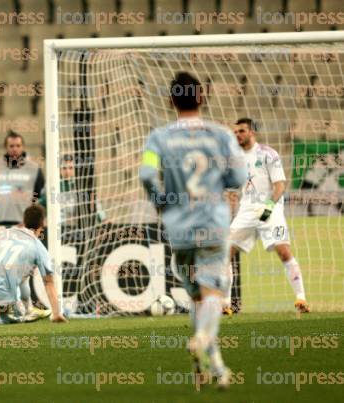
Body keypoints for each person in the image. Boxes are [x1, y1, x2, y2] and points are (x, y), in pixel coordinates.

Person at [139, 72, 246, 388]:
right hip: (212, 223)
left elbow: (146, 174)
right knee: (213, 290)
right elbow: (239, 177)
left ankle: (215, 368)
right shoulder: (222, 135)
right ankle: (201, 339)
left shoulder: (157, 137)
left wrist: (162, 202)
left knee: (198, 296)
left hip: (179, 226)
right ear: (201, 97)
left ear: (171, 100)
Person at [225, 118, 310, 314]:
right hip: (246, 211)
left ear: (252, 132)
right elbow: (232, 192)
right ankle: (225, 305)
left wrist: (269, 206)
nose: (237, 135)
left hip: (270, 208)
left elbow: (280, 185)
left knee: (283, 251)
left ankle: (301, 299)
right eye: (235, 132)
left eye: (242, 131)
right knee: (225, 253)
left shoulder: (268, 154)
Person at [0, 131, 45, 227]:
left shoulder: (34, 169)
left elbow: (40, 197)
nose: (15, 149)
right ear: (5, 147)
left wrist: (33, 221)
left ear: (23, 147)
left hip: (24, 225)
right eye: (11, 146)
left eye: (18, 146)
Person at [38, 154, 107, 226]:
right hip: (57, 226)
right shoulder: (51, 185)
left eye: (71, 168)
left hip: (76, 226)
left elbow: (94, 203)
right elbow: (41, 203)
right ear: (59, 169)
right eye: (64, 168)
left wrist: (103, 219)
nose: (67, 172)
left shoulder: (81, 185)